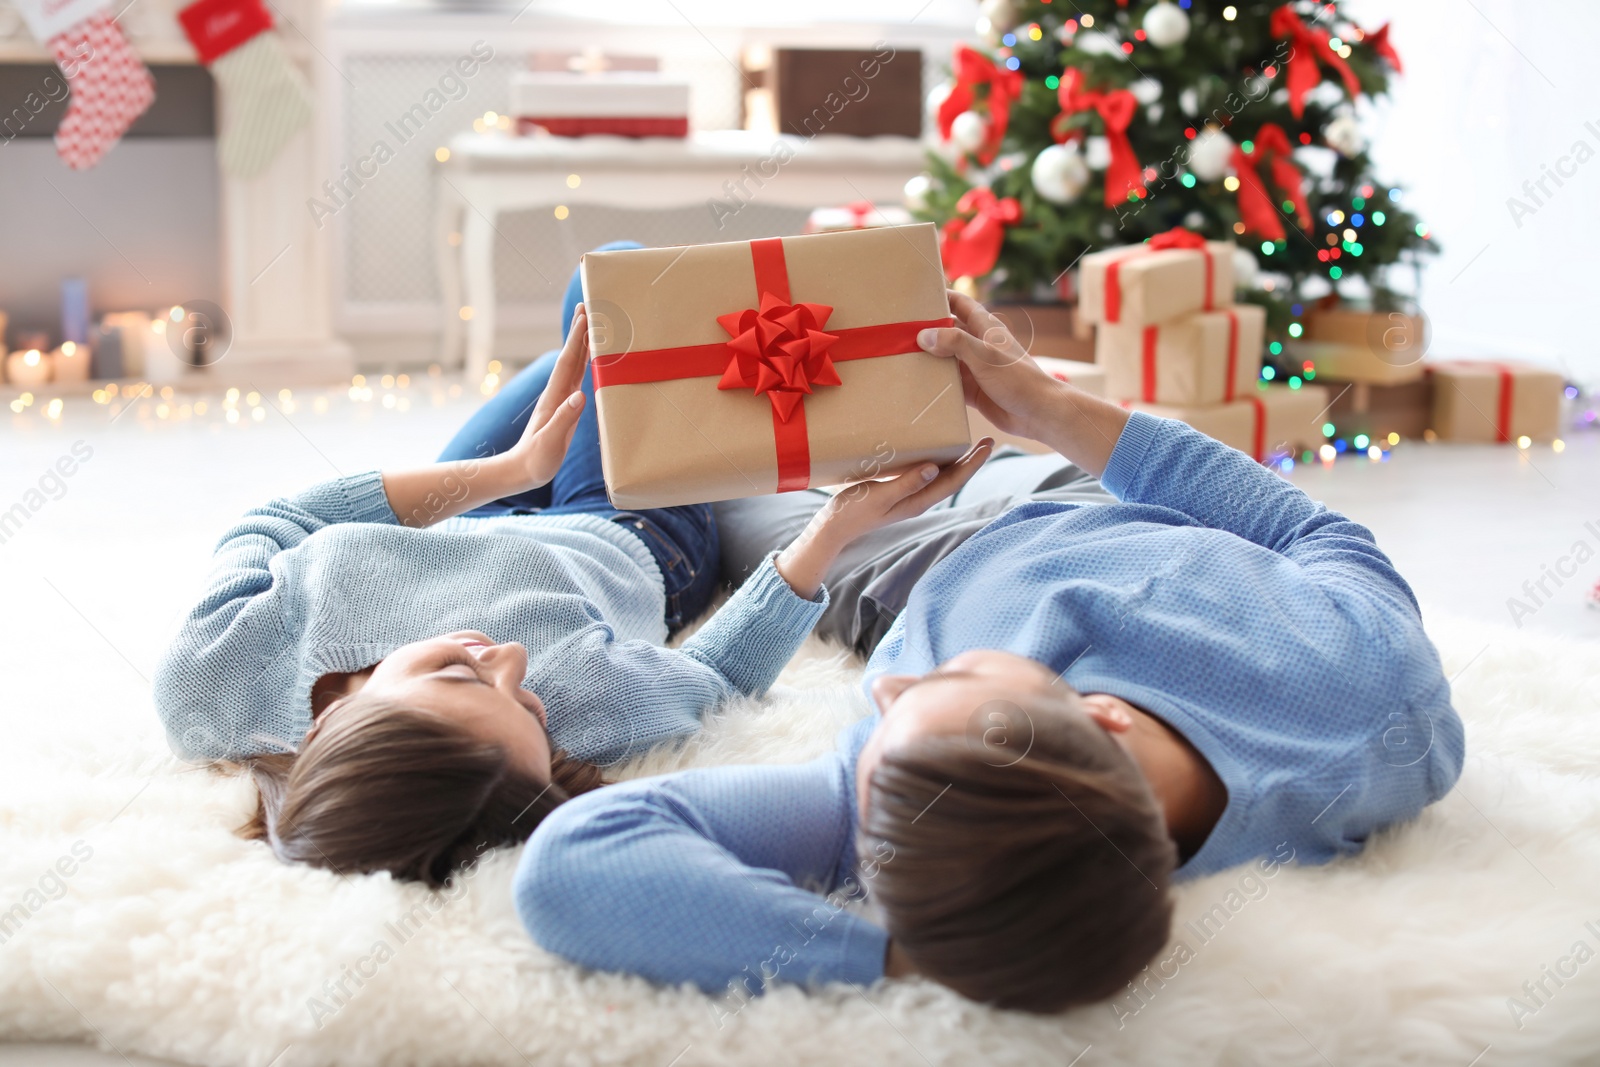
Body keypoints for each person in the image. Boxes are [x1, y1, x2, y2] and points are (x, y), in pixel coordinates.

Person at [514, 292, 1465, 1013]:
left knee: (666, 403)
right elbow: (1299, 525)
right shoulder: (1378, 699)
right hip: (1079, 477)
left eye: (905, 697)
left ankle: (493, 477)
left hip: (894, 547)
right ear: (1102, 715)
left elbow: (572, 861)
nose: (884, 686)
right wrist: (1048, 406)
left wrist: (900, 952)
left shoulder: (923, 808)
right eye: (956, 678)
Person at [151, 246, 992, 888]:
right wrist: (837, 525)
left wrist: (511, 470)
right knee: (619, 286)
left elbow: (282, 520)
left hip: (469, 510)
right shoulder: (589, 712)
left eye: (459, 675)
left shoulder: (211, 679)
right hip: (621, 533)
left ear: (333, 719)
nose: (512, 662)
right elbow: (714, 674)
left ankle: (605, 422)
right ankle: (655, 438)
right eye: (527, 706)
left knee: (589, 335)